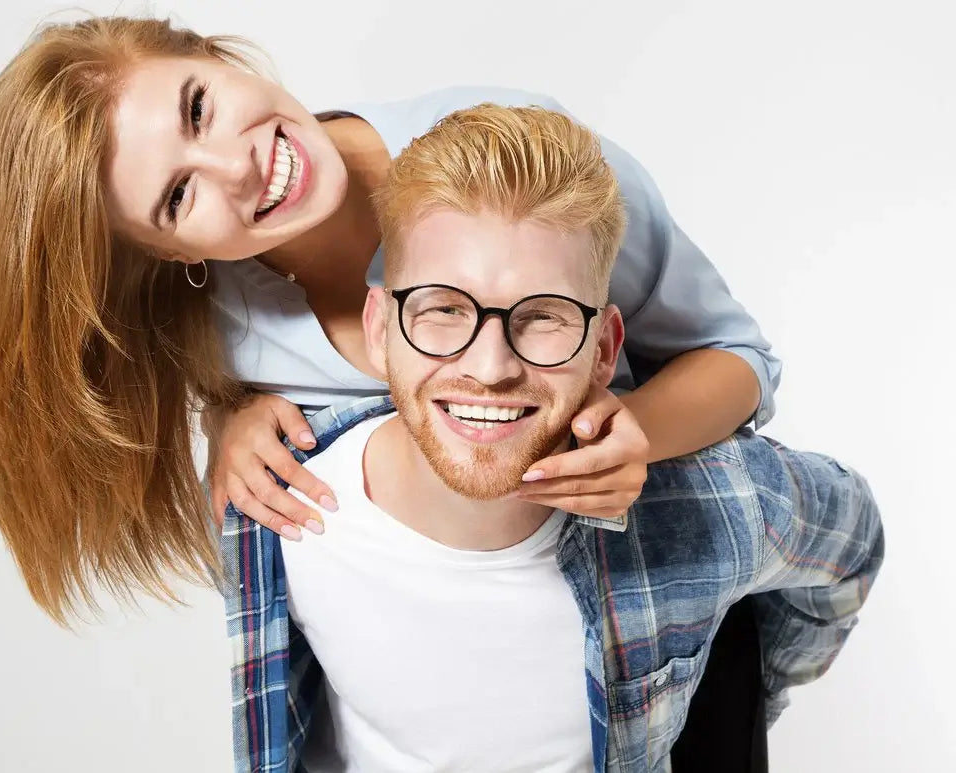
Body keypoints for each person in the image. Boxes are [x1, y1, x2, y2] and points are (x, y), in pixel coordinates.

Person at [0, 16, 780, 625]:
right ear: (167, 254)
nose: (236, 166)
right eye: (177, 196)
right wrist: (226, 417)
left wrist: (633, 431)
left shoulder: (524, 169)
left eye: (197, 108)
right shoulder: (216, 320)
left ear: (212, 52)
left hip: (672, 604)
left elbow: (736, 357)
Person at [221, 103, 883, 773]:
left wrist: (725, 700)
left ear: (604, 348)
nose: (489, 368)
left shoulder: (713, 502)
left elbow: (850, 545)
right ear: (379, 327)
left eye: (542, 317)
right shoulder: (277, 509)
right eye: (443, 308)